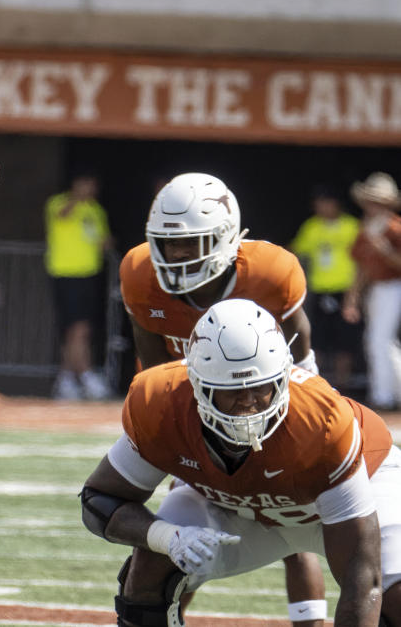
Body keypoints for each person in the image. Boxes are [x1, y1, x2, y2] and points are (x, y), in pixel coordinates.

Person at [81, 298, 401, 627]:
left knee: (394, 596)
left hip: (359, 486)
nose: (249, 402)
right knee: (151, 563)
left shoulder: (321, 423)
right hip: (241, 509)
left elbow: (363, 581)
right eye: (230, 390)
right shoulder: (162, 404)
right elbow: (100, 500)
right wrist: (166, 536)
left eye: (262, 387)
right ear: (198, 385)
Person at [118, 172, 328, 625]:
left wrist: (293, 426)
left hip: (270, 405)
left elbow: (302, 358)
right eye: (167, 243)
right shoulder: (139, 273)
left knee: (294, 524)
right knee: (177, 547)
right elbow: (156, 372)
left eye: (190, 244)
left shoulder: (272, 273)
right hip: (196, 408)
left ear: (226, 238)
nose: (174, 256)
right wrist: (179, 436)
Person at [44, 171, 114, 400]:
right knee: (78, 329)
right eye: (85, 184)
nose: (89, 189)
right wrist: (76, 198)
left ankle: (66, 379)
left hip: (89, 274)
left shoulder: (96, 210)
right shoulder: (58, 203)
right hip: (65, 272)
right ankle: (86, 375)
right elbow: (62, 216)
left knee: (78, 330)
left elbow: (103, 241)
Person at [289, 186, 362, 392]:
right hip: (320, 290)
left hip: (346, 290)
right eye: (318, 203)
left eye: (327, 202)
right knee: (317, 338)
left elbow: (362, 262)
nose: (322, 207)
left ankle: (343, 385)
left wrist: (355, 296)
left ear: (337, 204)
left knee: (344, 340)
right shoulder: (311, 227)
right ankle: (315, 387)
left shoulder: (352, 227)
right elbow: (294, 251)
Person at [343, 172, 401, 411]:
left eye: (377, 200)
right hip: (376, 289)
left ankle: (385, 396)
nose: (372, 205)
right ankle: (387, 393)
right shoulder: (365, 229)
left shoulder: (395, 228)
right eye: (370, 199)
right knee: (379, 343)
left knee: (380, 341)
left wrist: (386, 251)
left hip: (394, 287)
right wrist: (353, 298)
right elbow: (362, 268)